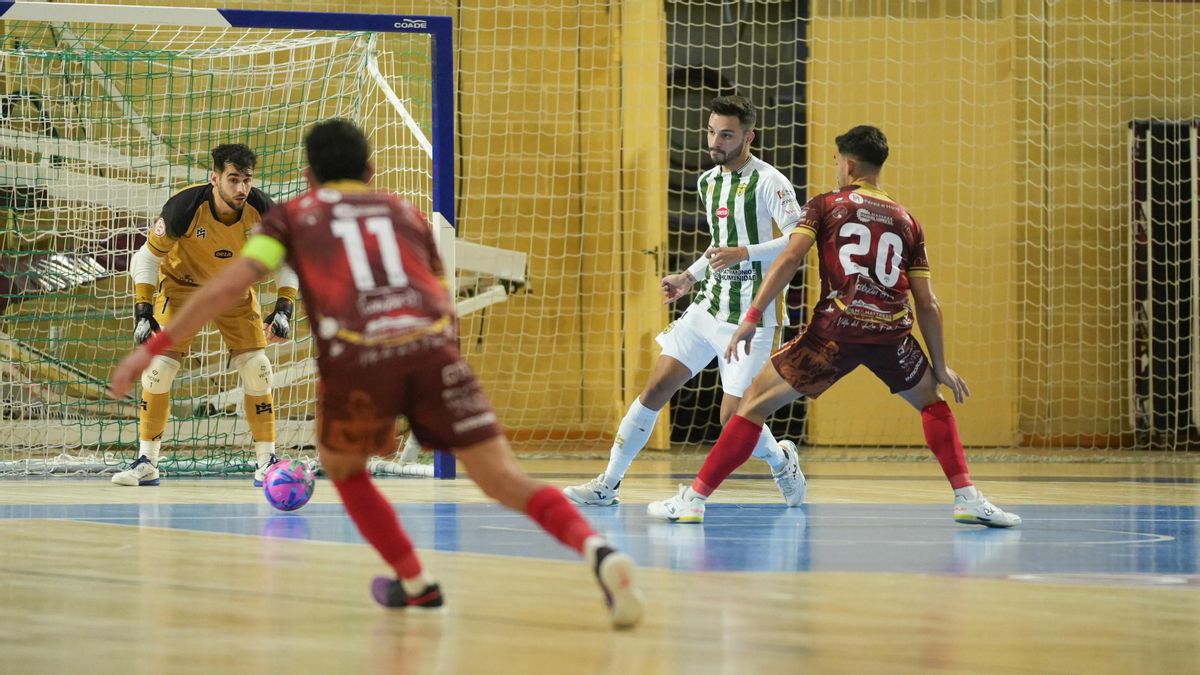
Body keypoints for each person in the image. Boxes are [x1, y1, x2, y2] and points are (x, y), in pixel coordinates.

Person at [108, 119, 646, 628]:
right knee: (505, 479)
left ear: (308, 177)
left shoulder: (292, 217)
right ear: (369, 172)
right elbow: (439, 294)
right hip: (435, 353)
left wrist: (150, 345)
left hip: (361, 358)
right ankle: (599, 551)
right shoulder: (404, 212)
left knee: (344, 468)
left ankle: (415, 578)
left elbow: (230, 286)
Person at [647, 125, 1021, 528]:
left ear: (849, 165)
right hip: (891, 334)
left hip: (834, 334)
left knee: (751, 406)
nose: (836, 169)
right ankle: (967, 497)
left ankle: (694, 500)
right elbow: (927, 303)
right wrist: (940, 364)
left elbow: (789, 259)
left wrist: (752, 317)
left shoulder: (825, 204)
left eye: (836, 163)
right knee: (933, 402)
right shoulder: (906, 220)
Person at [563, 95, 805, 509]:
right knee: (655, 388)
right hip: (708, 307)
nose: (715, 141)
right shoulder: (707, 182)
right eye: (711, 132)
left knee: (734, 418)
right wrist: (688, 278)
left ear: (748, 137)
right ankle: (608, 484)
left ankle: (782, 462)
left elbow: (797, 239)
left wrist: (744, 253)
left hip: (753, 316)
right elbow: (718, 245)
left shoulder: (770, 182)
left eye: (726, 135)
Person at [112, 143, 298, 488]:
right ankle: (147, 462)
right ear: (214, 178)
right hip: (182, 289)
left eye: (247, 180)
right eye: (233, 179)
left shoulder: (263, 211)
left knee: (258, 369)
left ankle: (266, 463)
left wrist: (284, 308)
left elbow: (286, 263)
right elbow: (147, 258)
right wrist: (143, 310)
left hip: (234, 290)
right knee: (158, 371)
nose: (241, 188)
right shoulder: (184, 207)